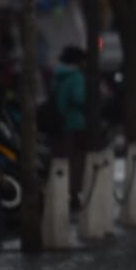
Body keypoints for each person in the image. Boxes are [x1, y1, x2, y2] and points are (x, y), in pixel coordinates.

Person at [49, 45, 89, 207]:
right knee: (76, 161)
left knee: (62, 161)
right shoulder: (76, 77)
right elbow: (79, 98)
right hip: (76, 124)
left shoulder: (58, 76)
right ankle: (73, 195)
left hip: (59, 123)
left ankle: (61, 192)